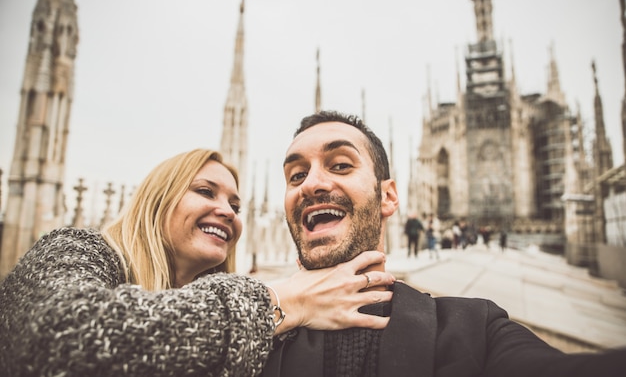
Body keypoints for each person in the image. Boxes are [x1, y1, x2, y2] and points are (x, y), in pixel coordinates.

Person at [262, 110, 626, 377]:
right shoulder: (249, 339)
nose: (311, 184)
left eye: (340, 165)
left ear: (388, 196)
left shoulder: (473, 330)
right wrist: (274, 306)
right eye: (296, 175)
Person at [0, 148, 396, 377]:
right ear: (157, 201)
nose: (226, 211)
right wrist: (281, 301)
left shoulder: (209, 312)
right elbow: (54, 336)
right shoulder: (75, 249)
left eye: (235, 204)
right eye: (205, 191)